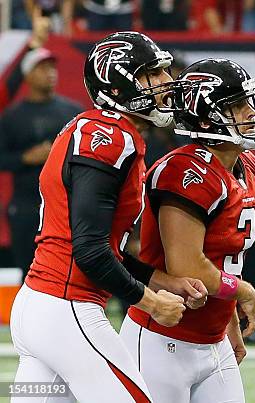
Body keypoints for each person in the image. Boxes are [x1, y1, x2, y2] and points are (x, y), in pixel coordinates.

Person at [10, 32, 207, 402]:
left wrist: (163, 280)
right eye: (154, 74)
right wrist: (151, 301)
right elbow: (89, 250)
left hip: (43, 306)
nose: (167, 83)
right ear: (118, 84)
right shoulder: (110, 138)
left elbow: (101, 247)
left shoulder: (101, 129)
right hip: (67, 307)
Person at [120, 58, 255, 402]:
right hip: (162, 340)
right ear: (205, 117)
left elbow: (222, 256)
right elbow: (186, 265)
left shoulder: (248, 167)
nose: (250, 113)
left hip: (213, 341)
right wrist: (242, 291)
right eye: (236, 106)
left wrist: (229, 320)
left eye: (248, 103)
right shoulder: (185, 172)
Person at [0, 47, 82, 278]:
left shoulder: (72, 111)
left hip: (65, 204)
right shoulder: (12, 117)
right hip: (26, 204)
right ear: (27, 74)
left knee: (68, 272)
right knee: (28, 273)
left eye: (52, 67)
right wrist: (25, 158)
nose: (51, 73)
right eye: (42, 68)